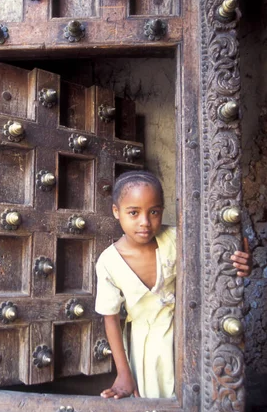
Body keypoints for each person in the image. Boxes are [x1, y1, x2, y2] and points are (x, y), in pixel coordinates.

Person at [95, 170, 252, 399]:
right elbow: (110, 318)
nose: (145, 222)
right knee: (156, 406)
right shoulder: (108, 262)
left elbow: (220, 263)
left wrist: (241, 265)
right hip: (145, 349)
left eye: (154, 212)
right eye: (134, 213)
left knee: (201, 399)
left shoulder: (178, 239)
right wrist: (123, 372)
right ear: (116, 212)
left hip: (191, 335)